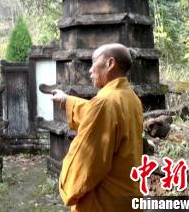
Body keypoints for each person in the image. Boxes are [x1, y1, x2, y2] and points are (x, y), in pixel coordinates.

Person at [51, 43, 143, 212]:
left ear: (110, 63)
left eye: (94, 62)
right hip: (127, 198)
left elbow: (87, 163)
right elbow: (98, 115)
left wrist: (68, 184)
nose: (90, 70)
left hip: (104, 203)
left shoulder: (105, 103)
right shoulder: (131, 98)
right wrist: (66, 100)